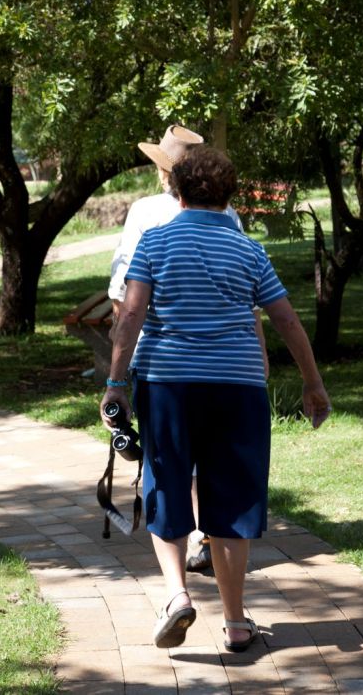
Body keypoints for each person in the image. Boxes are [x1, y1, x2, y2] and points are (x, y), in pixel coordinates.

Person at [100, 147, 331, 652]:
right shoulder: (249, 251)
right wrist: (313, 383)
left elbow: (131, 316)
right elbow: (286, 320)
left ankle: (178, 596)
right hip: (238, 388)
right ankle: (234, 621)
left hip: (168, 386)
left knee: (167, 484)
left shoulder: (154, 243)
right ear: (229, 195)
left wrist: (116, 384)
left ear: (177, 190)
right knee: (232, 499)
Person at [108, 125, 266, 573]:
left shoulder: (144, 213)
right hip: (231, 366)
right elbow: (246, 296)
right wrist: (259, 352)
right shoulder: (229, 215)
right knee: (218, 459)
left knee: (170, 460)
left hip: (164, 363)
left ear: (167, 173)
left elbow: (125, 296)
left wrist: (117, 375)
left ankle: (177, 576)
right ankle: (206, 537)